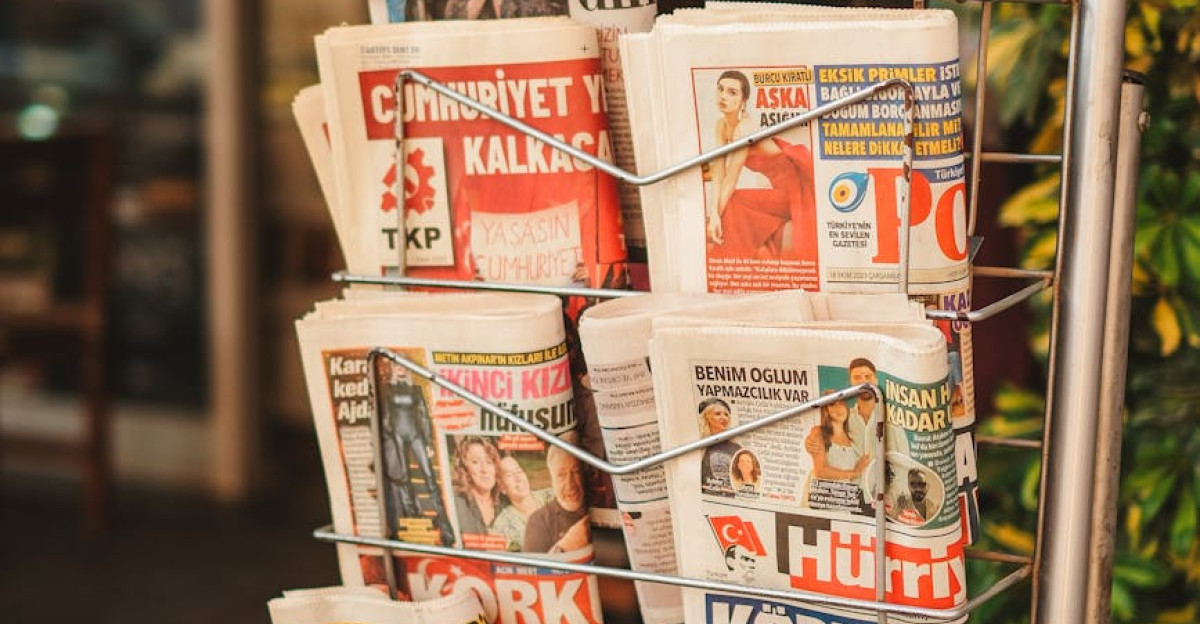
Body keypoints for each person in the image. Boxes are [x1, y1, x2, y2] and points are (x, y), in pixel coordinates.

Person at [705, 69, 817, 262]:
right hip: (778, 193)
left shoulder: (745, 128)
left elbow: (731, 179)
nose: (723, 95)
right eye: (721, 89)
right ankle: (756, 256)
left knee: (736, 201)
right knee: (729, 207)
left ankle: (738, 259)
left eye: (732, 92)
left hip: (795, 194)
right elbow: (718, 175)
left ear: (743, 100)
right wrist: (713, 214)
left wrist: (715, 218)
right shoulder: (721, 126)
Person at [379, 364, 453, 546]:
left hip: (416, 435)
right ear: (393, 370)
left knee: (430, 478)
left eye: (403, 365)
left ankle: (445, 527)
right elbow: (386, 417)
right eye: (396, 366)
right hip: (397, 436)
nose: (400, 369)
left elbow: (424, 416)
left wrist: (428, 442)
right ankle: (414, 521)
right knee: (403, 479)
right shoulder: (388, 390)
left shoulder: (416, 390)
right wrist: (388, 441)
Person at [524, 438, 589, 553]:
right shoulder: (539, 522)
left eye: (576, 471)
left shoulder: (600, 502)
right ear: (552, 480)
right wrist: (565, 546)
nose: (570, 484)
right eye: (561, 475)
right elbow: (534, 569)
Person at [845, 357, 910, 458]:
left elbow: (905, 461)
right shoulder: (844, 419)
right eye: (857, 377)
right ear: (850, 382)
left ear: (876, 381)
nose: (863, 382)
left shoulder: (892, 418)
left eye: (868, 376)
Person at [490, 455, 554, 551]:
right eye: (509, 475)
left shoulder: (551, 497)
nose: (518, 478)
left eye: (519, 471)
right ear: (502, 488)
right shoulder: (502, 525)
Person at [806, 393, 870, 481]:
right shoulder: (819, 431)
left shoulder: (852, 438)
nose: (838, 408)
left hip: (847, 492)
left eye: (841, 403)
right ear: (826, 410)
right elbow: (820, 471)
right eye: (832, 404)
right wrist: (854, 473)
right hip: (823, 491)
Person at [451, 436, 505, 536]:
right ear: (464, 468)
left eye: (489, 462)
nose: (484, 469)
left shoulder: (505, 503)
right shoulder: (454, 502)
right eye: (475, 462)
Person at [698, 398, 742, 496]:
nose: (724, 418)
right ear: (706, 417)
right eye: (718, 414)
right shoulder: (698, 444)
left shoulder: (736, 447)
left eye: (726, 414)